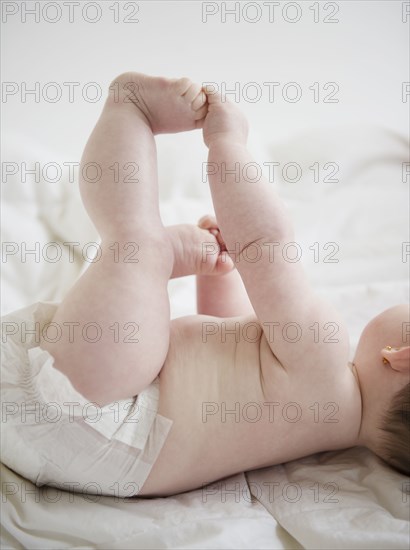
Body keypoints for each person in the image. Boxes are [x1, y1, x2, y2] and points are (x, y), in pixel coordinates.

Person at [2, 72, 409, 498]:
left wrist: (229, 144)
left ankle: (130, 108)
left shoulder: (324, 352)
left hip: (100, 412)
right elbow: (229, 343)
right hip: (97, 461)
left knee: (137, 243)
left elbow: (265, 245)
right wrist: (223, 273)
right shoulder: (323, 428)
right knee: (144, 259)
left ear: (402, 357)